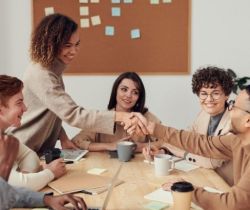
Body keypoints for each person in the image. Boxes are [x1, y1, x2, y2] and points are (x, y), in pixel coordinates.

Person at [10, 13, 148, 156]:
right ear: (51, 44)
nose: (74, 51)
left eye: (77, 45)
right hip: (20, 150)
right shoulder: (42, 74)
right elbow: (73, 114)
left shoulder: (52, 71)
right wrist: (120, 116)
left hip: (33, 152)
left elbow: (55, 111)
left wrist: (63, 138)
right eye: (67, 45)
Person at [142, 86, 250, 210]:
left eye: (233, 106)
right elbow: (201, 143)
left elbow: (232, 205)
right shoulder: (237, 141)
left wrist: (189, 191)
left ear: (247, 120)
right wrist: (153, 128)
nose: (229, 109)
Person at [0, 75, 87, 209]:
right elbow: (16, 185)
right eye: (19, 103)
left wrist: (29, 177)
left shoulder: (6, 136)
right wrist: (49, 173)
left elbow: (29, 156)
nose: (25, 108)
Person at [143, 66, 234, 185]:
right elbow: (185, 140)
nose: (209, 99)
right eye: (203, 93)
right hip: (204, 178)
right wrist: (162, 152)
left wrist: (180, 151)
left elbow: (212, 162)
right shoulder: (203, 114)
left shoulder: (234, 121)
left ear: (226, 95)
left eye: (215, 93)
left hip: (226, 185)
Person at [72, 72, 161, 152]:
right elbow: (76, 142)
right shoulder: (103, 118)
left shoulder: (146, 117)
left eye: (135, 92)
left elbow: (166, 144)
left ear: (139, 97)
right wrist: (110, 146)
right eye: (124, 89)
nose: (128, 95)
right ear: (116, 91)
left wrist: (141, 146)